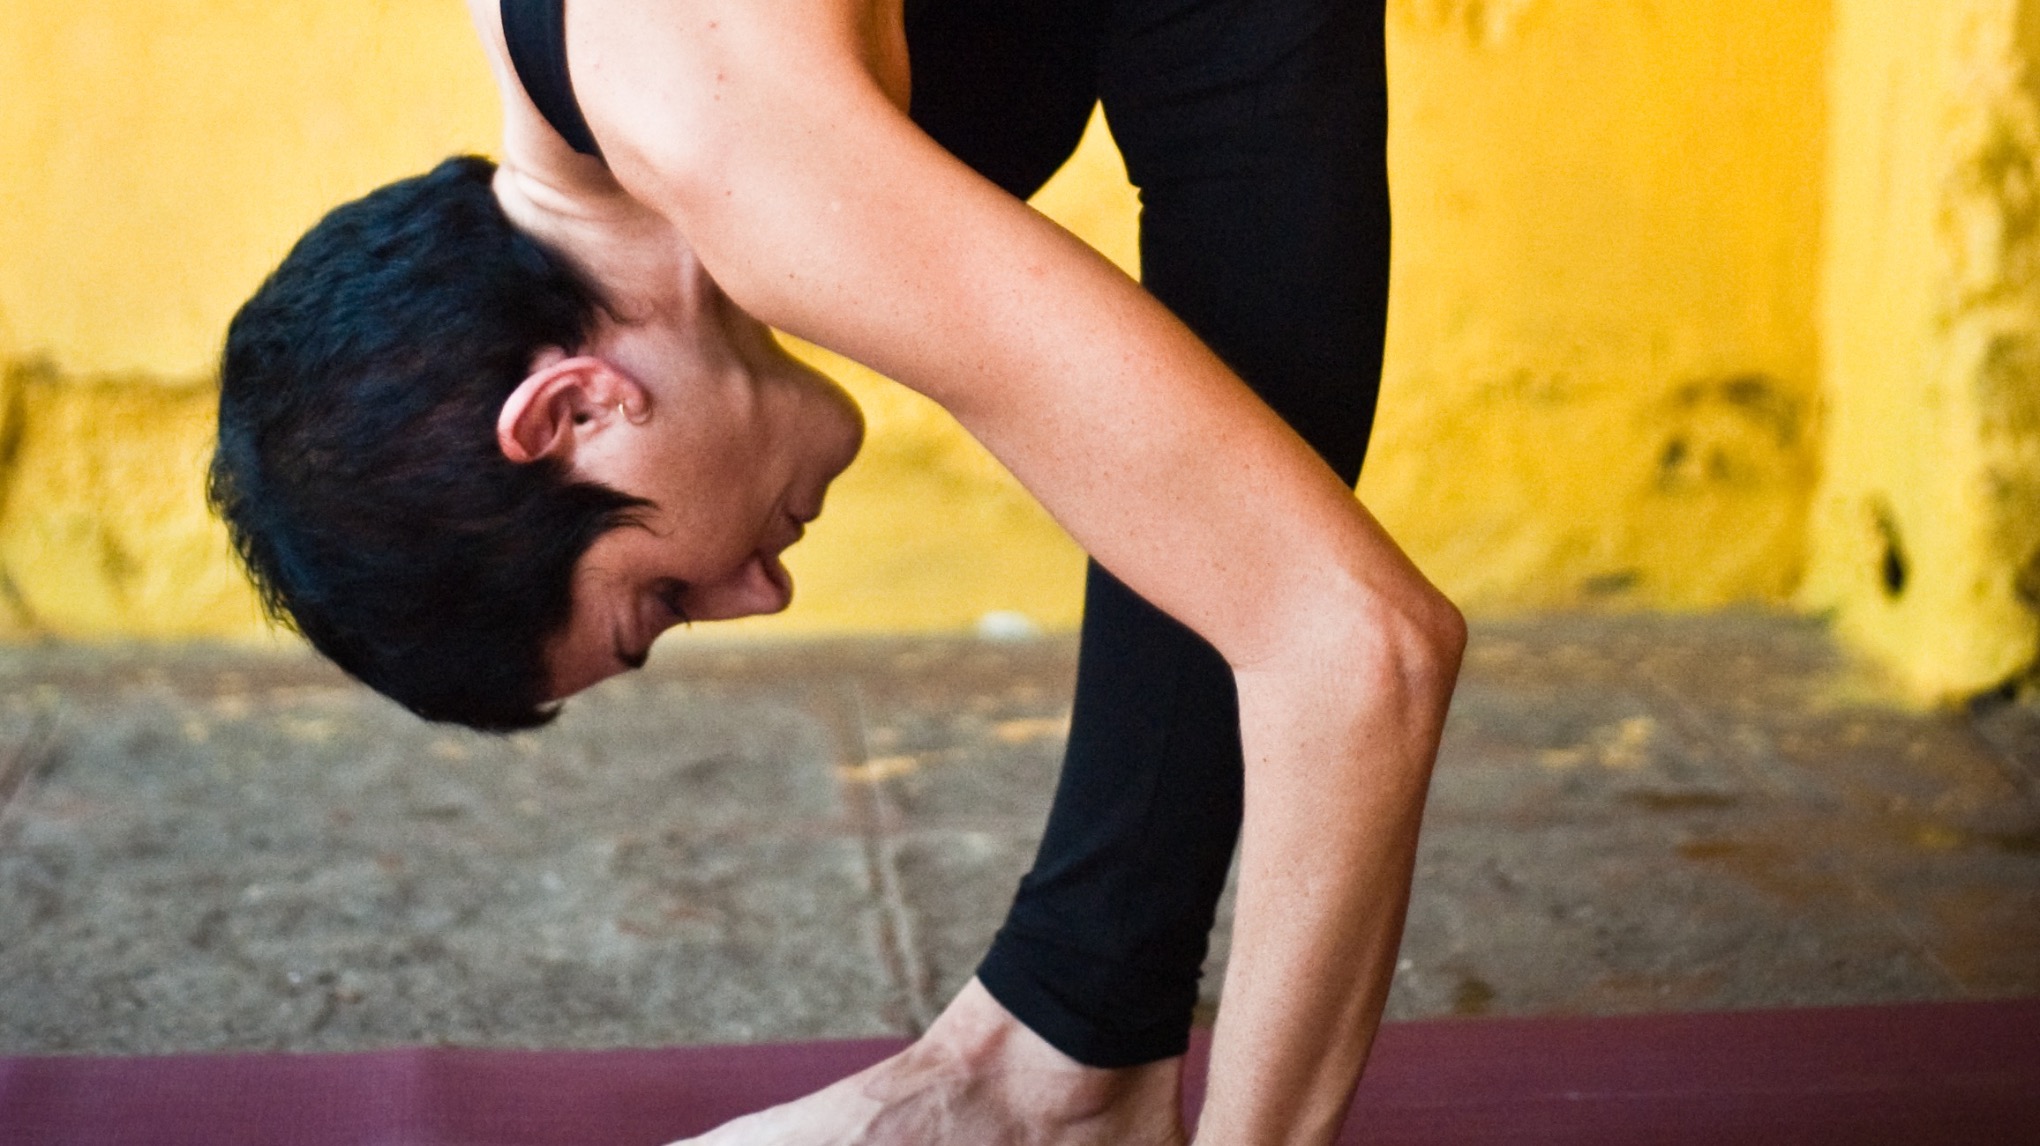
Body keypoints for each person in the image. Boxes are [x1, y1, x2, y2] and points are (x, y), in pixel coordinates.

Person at [209, 0, 1465, 1141]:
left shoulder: (741, 156)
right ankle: (1061, 1062)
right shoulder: (583, 96)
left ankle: (1057, 1064)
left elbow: (1355, 652)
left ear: (572, 410)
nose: (759, 597)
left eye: (661, 599)